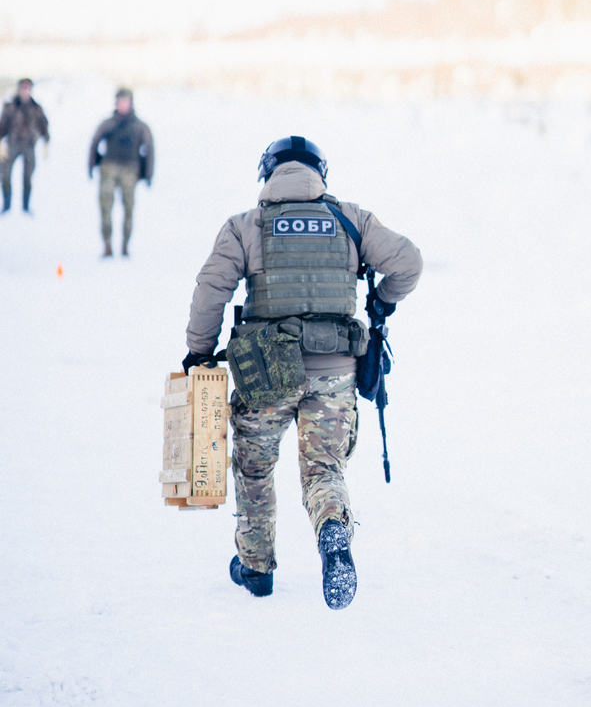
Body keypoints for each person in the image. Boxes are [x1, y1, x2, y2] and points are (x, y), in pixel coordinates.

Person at [183, 136, 422, 609]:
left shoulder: (244, 226)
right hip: (335, 372)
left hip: (265, 373)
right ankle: (333, 530)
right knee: (323, 469)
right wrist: (383, 301)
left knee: (254, 468)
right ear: (320, 174)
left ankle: (255, 568)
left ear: (267, 174)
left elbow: (212, 290)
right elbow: (408, 263)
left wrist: (199, 352)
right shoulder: (352, 220)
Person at [88, 88, 154, 257]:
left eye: (126, 101)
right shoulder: (108, 124)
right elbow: (95, 142)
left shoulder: (140, 126)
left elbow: (150, 149)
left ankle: (125, 246)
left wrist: (148, 174)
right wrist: (92, 165)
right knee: (105, 207)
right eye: (120, 101)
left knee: (129, 209)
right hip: (109, 168)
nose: (123, 104)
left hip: (130, 170)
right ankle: (107, 245)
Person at [0, 78, 50, 214]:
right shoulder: (11, 106)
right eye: (23, 87)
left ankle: (26, 207)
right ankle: (6, 205)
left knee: (28, 176)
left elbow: (44, 124)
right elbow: (2, 125)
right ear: (19, 89)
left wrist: (46, 141)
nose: (25, 90)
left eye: (28, 88)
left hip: (29, 145)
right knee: (4, 174)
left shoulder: (36, 108)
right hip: (13, 144)